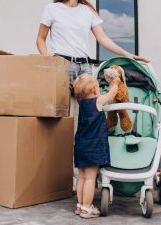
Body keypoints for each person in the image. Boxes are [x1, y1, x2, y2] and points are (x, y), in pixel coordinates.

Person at [36, 0, 148, 92]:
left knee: (87, 107)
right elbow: (40, 39)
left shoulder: (88, 11)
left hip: (86, 68)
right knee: (63, 108)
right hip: (63, 65)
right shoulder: (52, 9)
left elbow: (103, 39)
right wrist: (46, 55)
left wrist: (127, 55)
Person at [72, 73, 118, 219]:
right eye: (98, 87)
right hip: (93, 146)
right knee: (91, 179)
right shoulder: (98, 101)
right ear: (93, 90)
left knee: (82, 177)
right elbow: (111, 94)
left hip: (80, 145)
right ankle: (87, 208)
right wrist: (115, 82)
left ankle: (80, 205)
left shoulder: (82, 104)